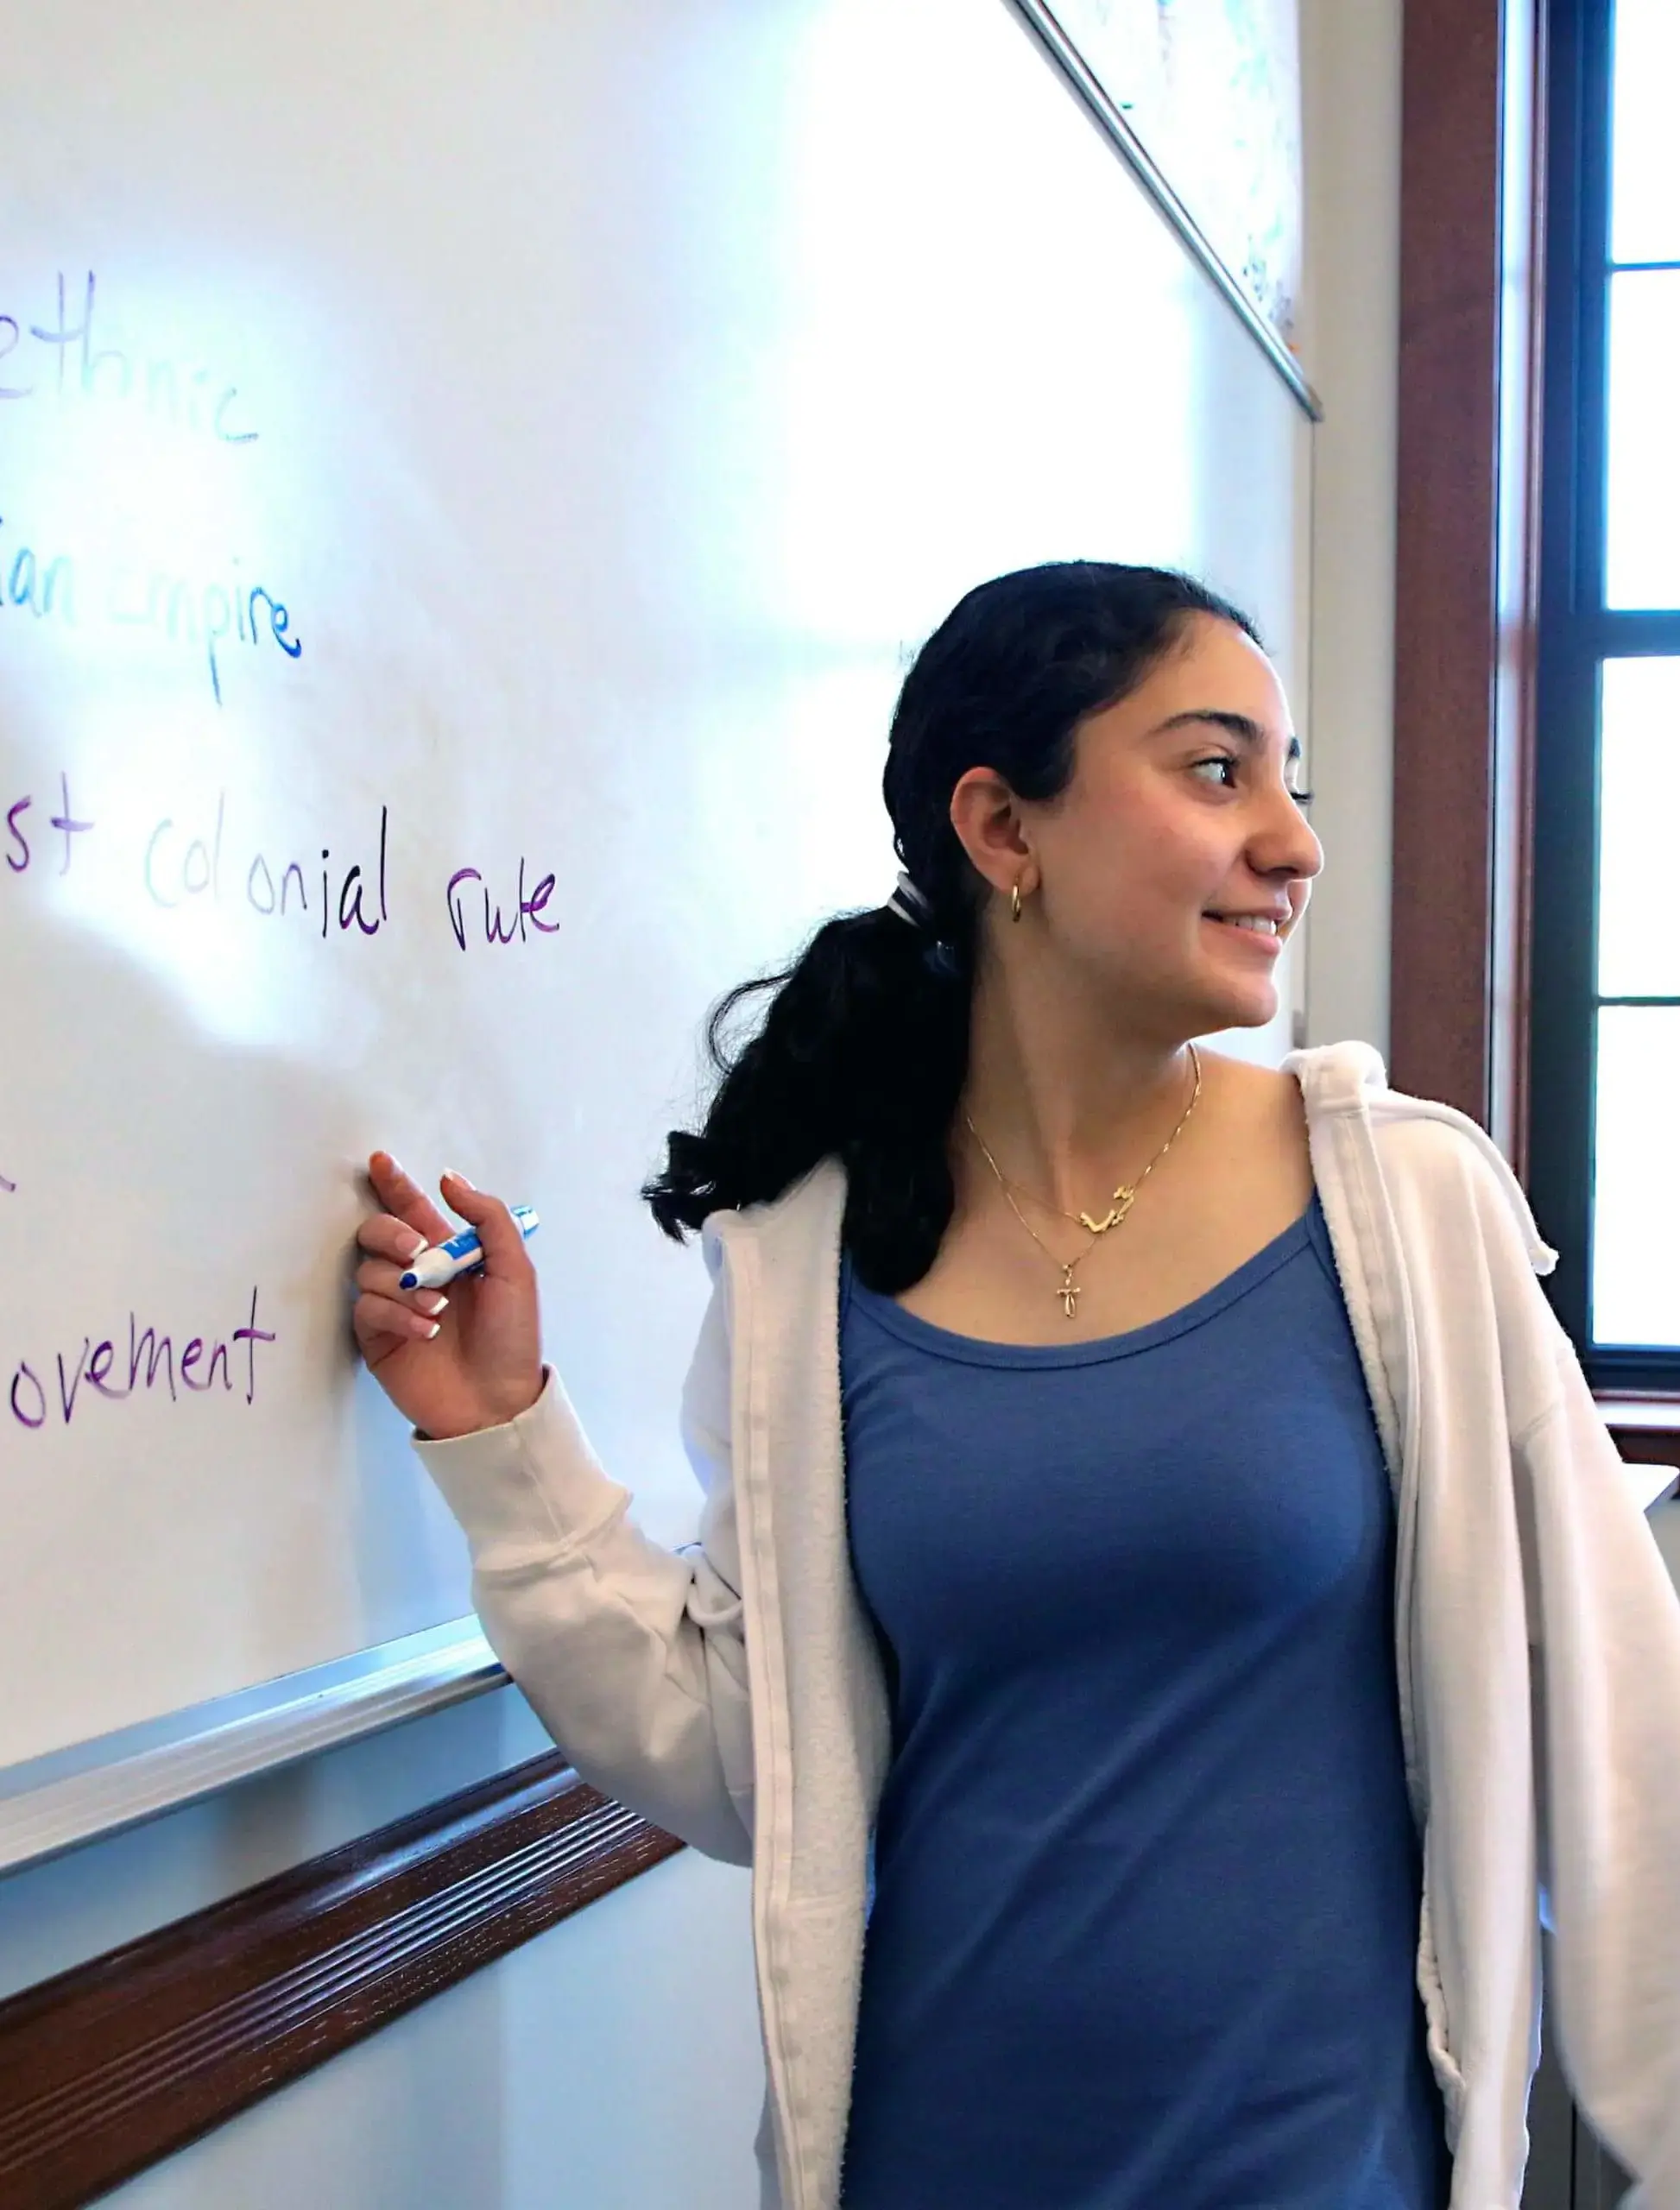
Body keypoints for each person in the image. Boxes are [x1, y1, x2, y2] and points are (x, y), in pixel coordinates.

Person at [353, 562, 1680, 2210]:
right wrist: (502, 1441)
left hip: (1319, 2170)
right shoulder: (808, 1253)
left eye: (1289, 780)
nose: (1292, 840)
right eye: (1215, 770)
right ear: (1002, 831)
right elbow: (745, 1758)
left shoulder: (1403, 1205)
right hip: (930, 2160)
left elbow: (1622, 1753)